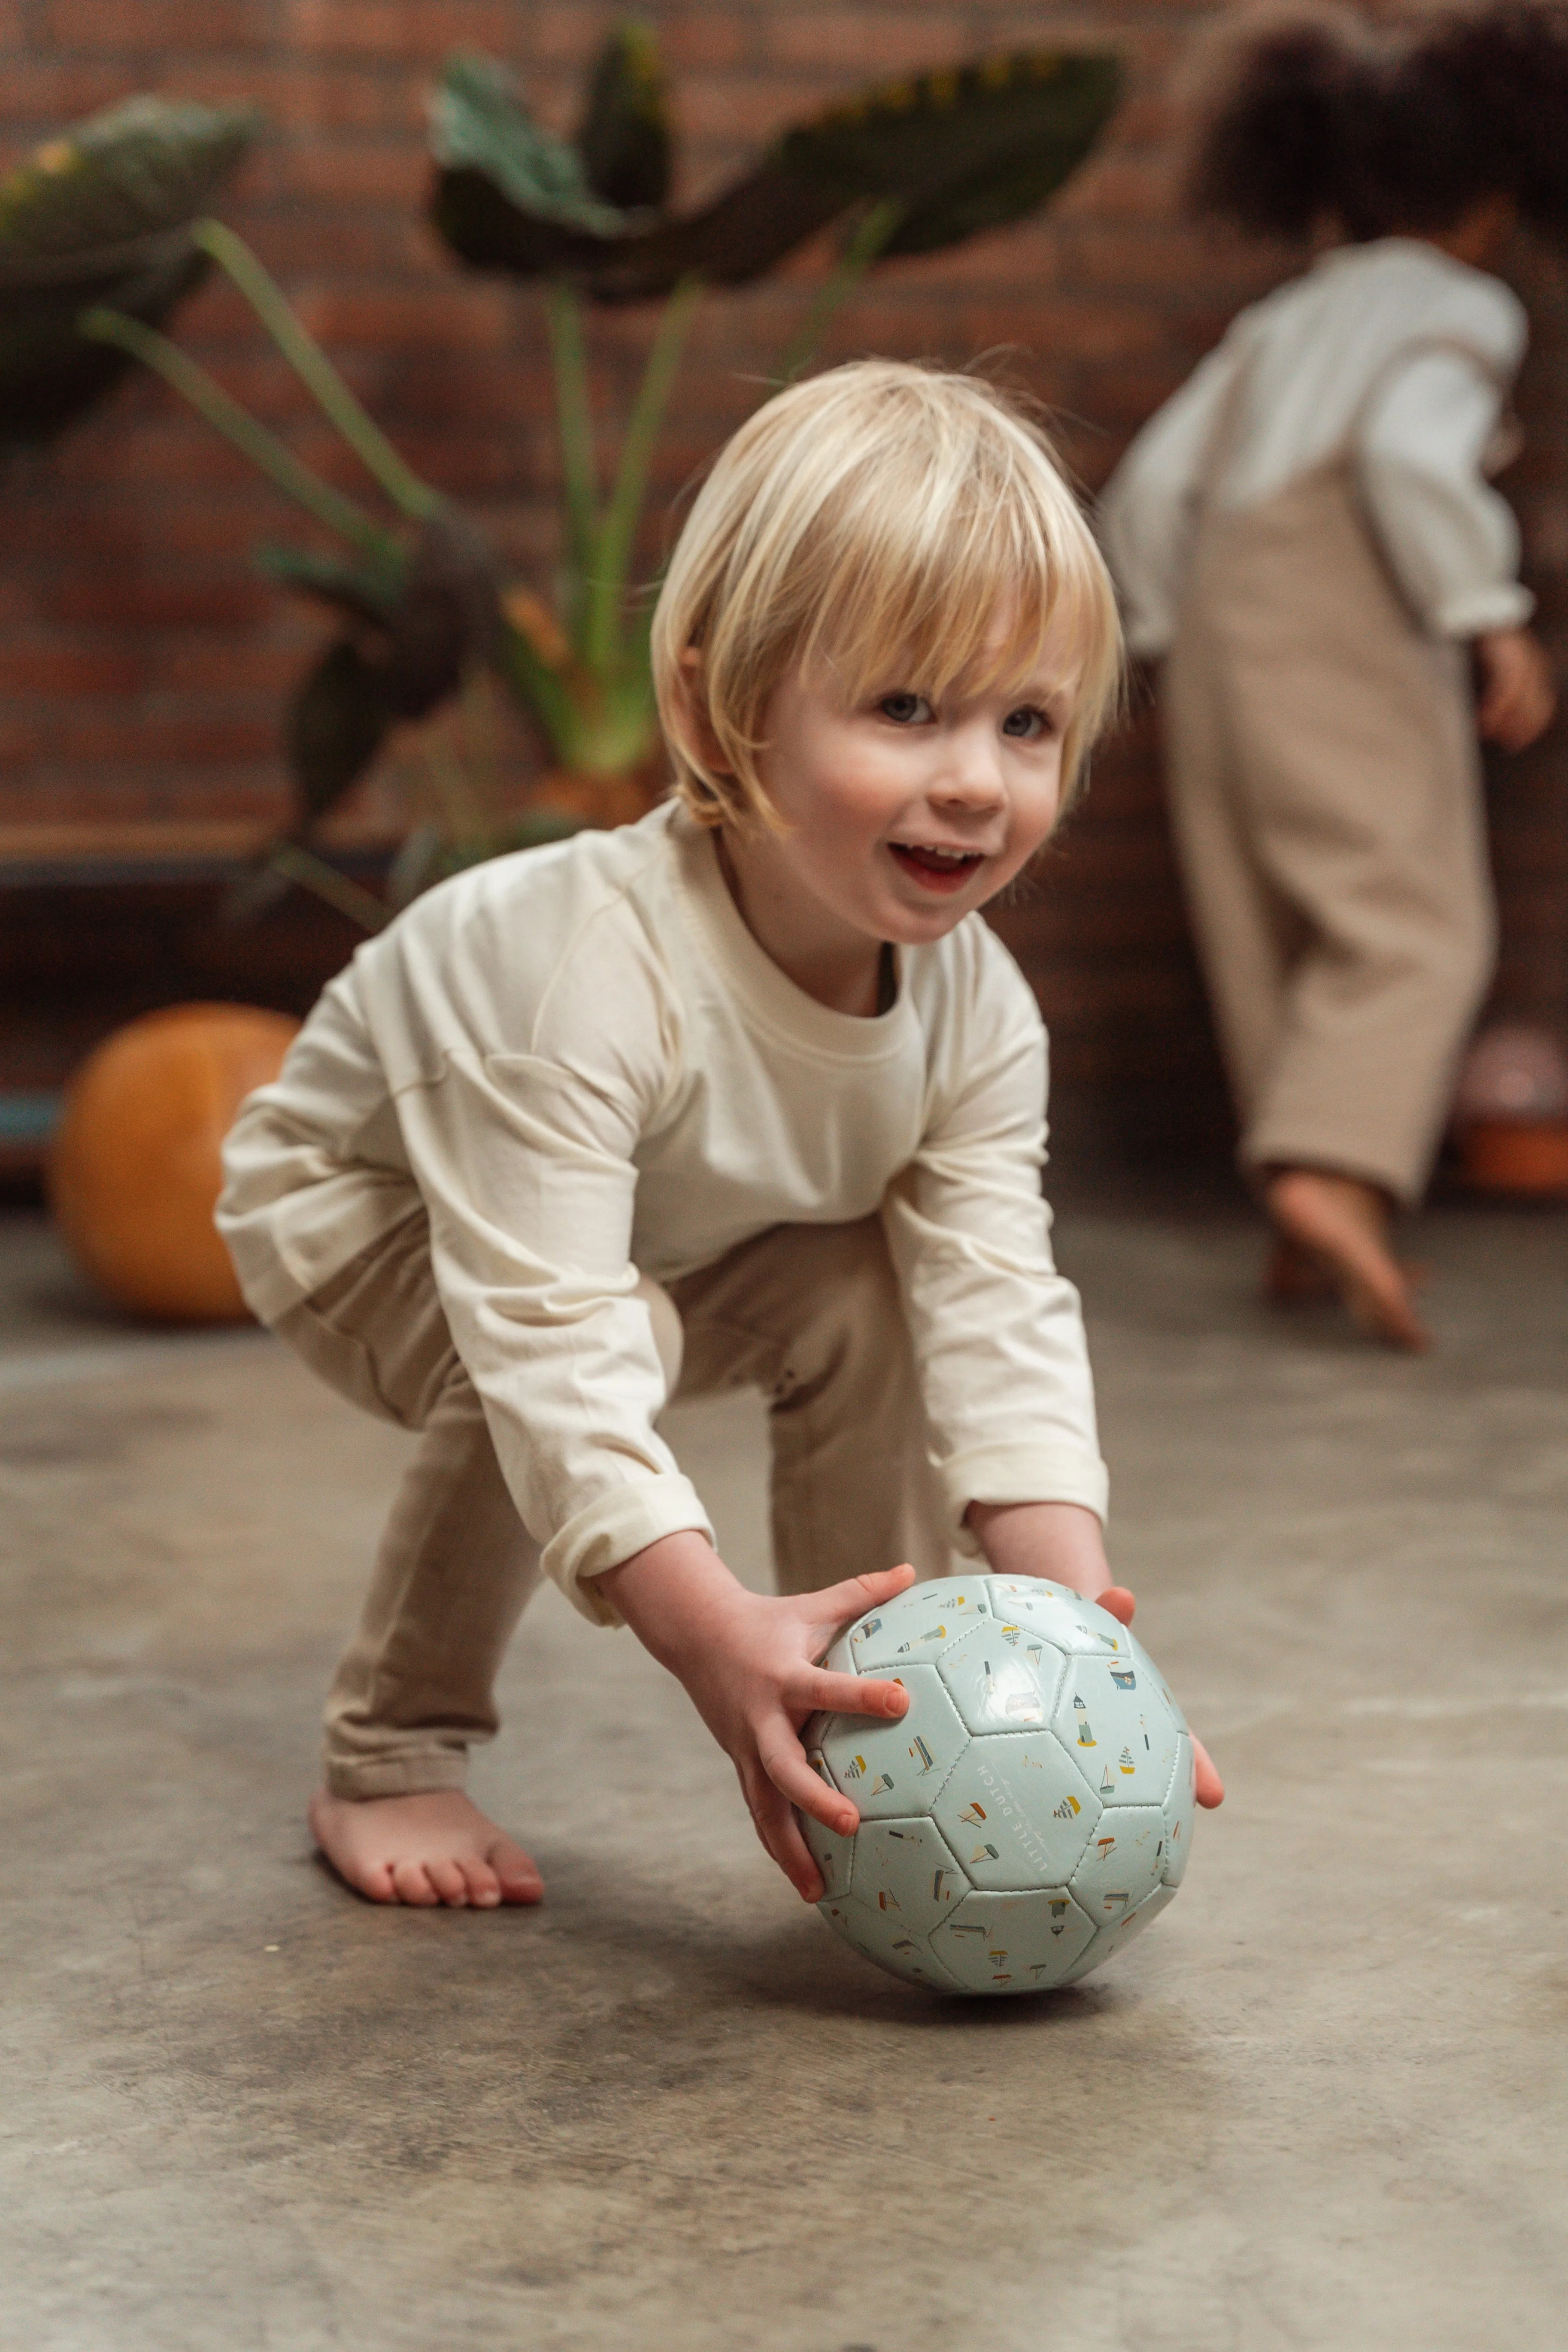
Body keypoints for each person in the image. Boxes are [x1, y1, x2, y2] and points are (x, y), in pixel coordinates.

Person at [218, 361, 1224, 1911]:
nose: (972, 778)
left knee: (866, 1287)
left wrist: (1076, 1617)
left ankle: (868, 1701)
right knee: (581, 1347)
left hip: (648, 1231)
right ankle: (392, 1752)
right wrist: (705, 1632)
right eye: (905, 707)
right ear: (717, 708)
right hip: (354, 1211)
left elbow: (995, 1304)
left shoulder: (977, 1010)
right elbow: (548, 1337)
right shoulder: (575, 972)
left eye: (1027, 722)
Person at [1100, 1, 1565, 1349]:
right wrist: (1490, 615)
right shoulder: (1459, 306)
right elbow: (1406, 465)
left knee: (1266, 924)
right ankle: (1332, 1177)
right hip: (1343, 617)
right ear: (1494, 193)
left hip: (1213, 635)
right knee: (1414, 920)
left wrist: (1159, 632)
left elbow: (1148, 489)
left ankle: (1300, 1209)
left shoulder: (1283, 317)